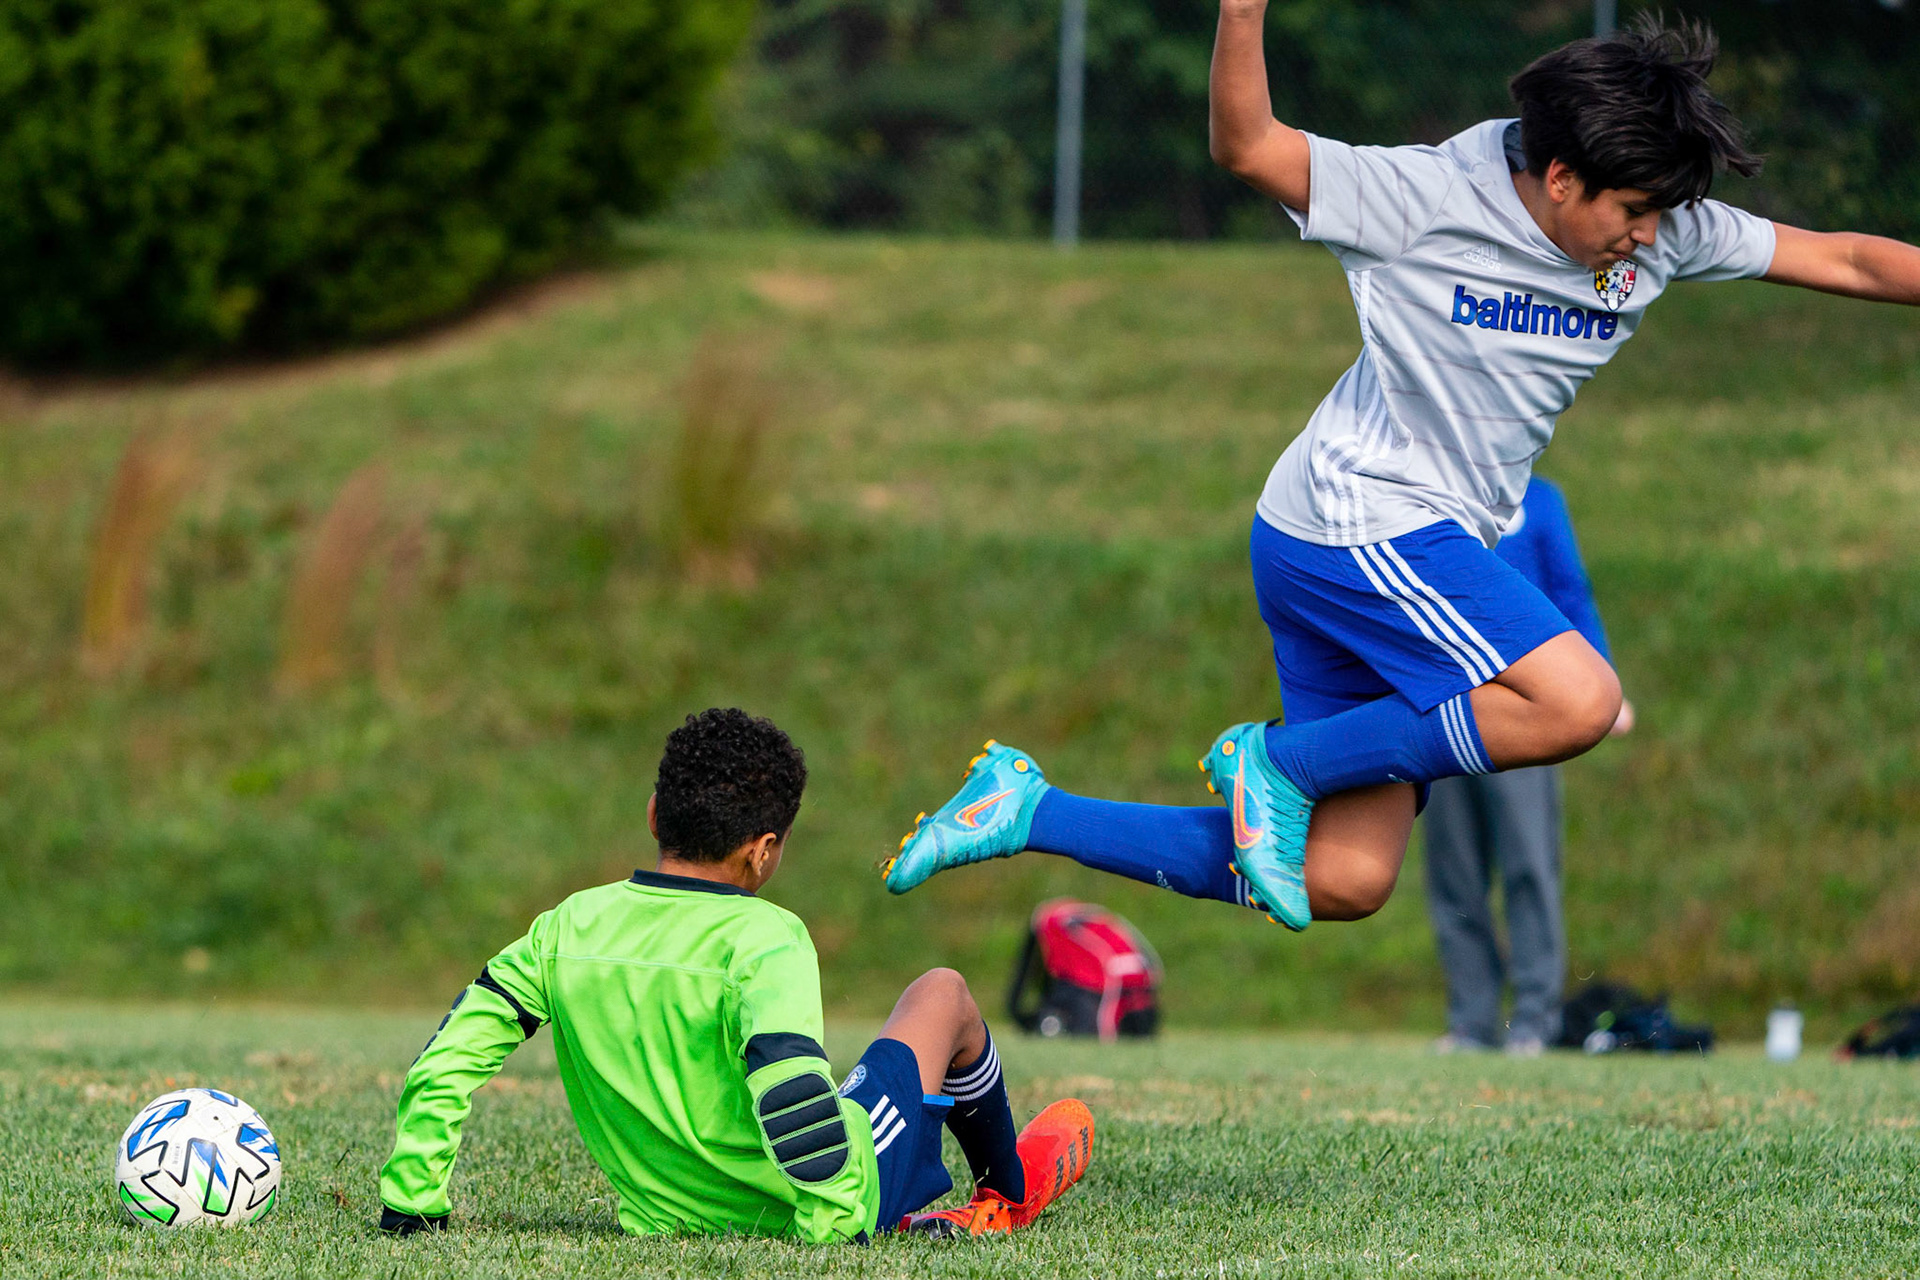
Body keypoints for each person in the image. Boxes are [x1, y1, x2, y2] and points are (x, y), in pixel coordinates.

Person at [878, 13, 1920, 932]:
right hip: (1359, 523)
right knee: (1576, 701)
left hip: (1365, 542)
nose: (1647, 236)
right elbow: (1246, 146)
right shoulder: (1423, 198)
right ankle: (1276, 763)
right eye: (1632, 211)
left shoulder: (1659, 229)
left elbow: (1848, 259)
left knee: (1341, 876)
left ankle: (1024, 807)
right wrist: (1243, 9)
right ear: (1561, 178)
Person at [377, 708, 1093, 1243]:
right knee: (942, 995)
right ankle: (1006, 1194)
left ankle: (984, 1189)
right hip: (823, 1199)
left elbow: (448, 1060)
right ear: (763, 852)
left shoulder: (566, 927)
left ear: (656, 812)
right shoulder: (765, 936)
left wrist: (413, 1203)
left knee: (853, 1072)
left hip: (664, 1218)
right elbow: (791, 1100)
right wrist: (838, 1226)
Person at [1423, 477, 1628, 1057]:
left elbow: (1570, 591)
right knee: (1454, 874)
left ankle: (1536, 1018)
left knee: (1529, 865)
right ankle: (1472, 1021)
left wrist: (1603, 683)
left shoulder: (1541, 500)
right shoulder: (1434, 494)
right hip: (1443, 705)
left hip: (1525, 708)